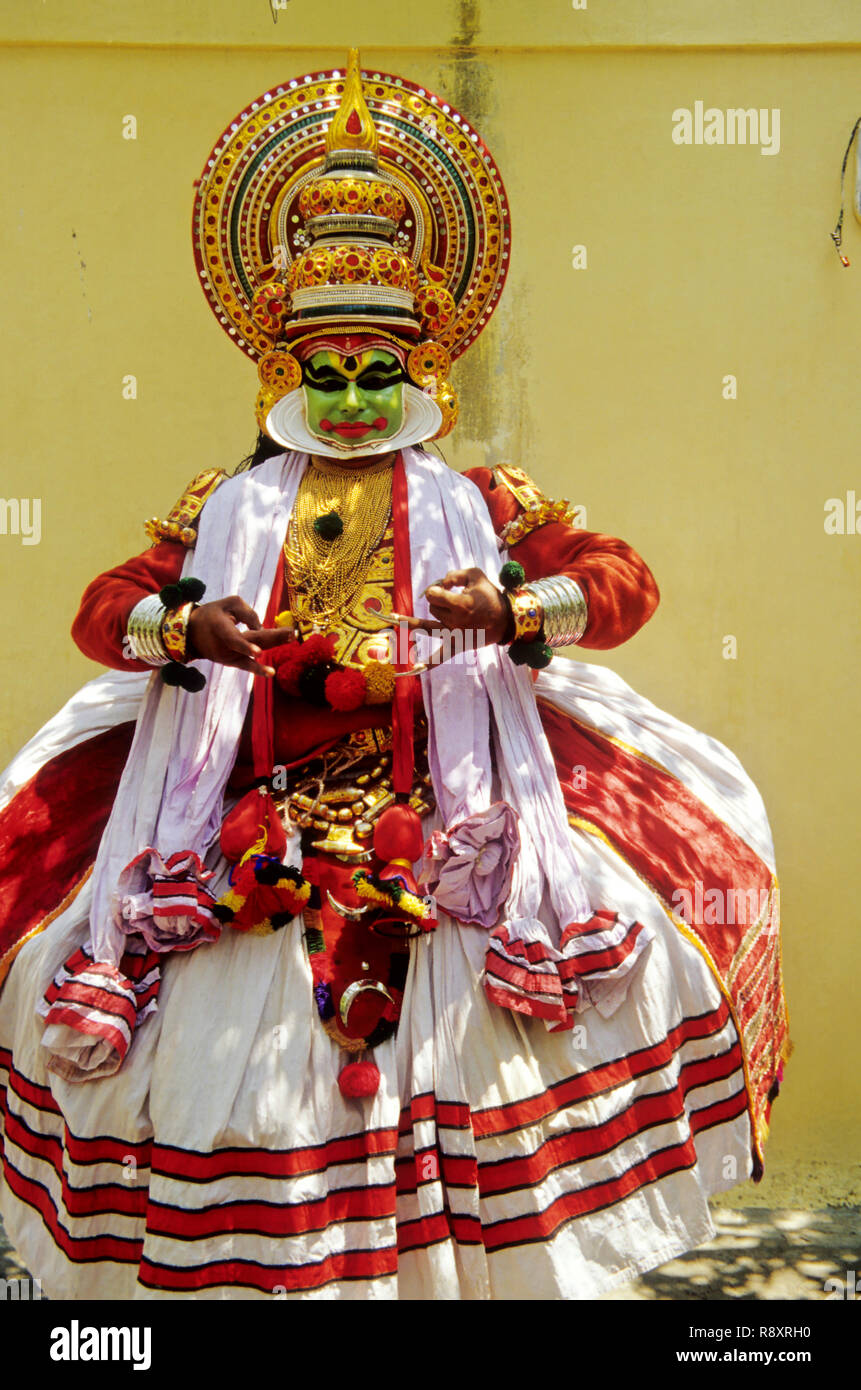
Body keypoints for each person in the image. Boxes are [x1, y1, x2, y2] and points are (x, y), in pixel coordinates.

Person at [0, 51, 788, 1300]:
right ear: (285, 375)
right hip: (240, 816)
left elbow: (624, 578)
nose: (358, 399)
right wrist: (184, 627)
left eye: (380, 373)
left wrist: (522, 605)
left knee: (530, 1033)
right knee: (207, 1068)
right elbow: (102, 609)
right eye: (331, 374)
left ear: (427, 372)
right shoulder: (224, 509)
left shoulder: (480, 501)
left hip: (453, 806)